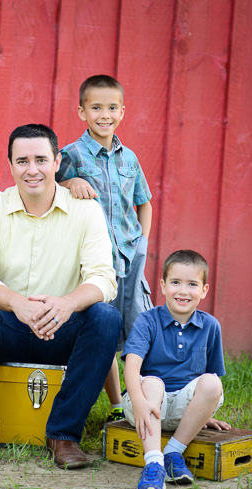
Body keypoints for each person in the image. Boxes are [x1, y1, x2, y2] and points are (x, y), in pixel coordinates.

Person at [0, 124, 121, 468]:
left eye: (41, 159)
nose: (32, 169)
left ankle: (63, 435)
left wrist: (67, 304)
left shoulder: (85, 210)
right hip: (9, 329)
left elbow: (104, 278)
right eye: (23, 161)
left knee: (107, 318)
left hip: (62, 328)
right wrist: (18, 304)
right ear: (11, 165)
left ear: (58, 161)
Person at [56, 74, 153, 422]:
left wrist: (142, 240)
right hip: (95, 262)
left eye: (112, 108)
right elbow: (47, 191)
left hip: (130, 256)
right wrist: (70, 180)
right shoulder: (70, 155)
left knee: (138, 326)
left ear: (123, 111)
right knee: (105, 329)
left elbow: (144, 202)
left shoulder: (130, 159)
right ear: (82, 112)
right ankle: (116, 406)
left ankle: (140, 399)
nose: (104, 114)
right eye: (96, 107)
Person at [121, 250, 229, 489]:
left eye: (192, 284)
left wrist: (203, 414)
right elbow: (132, 367)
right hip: (145, 405)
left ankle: (173, 452)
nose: (183, 291)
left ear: (204, 290)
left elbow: (209, 381)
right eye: (176, 282)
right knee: (153, 384)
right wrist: (137, 402)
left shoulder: (210, 326)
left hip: (181, 408)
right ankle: (154, 464)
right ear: (163, 285)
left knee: (213, 384)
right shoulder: (147, 321)